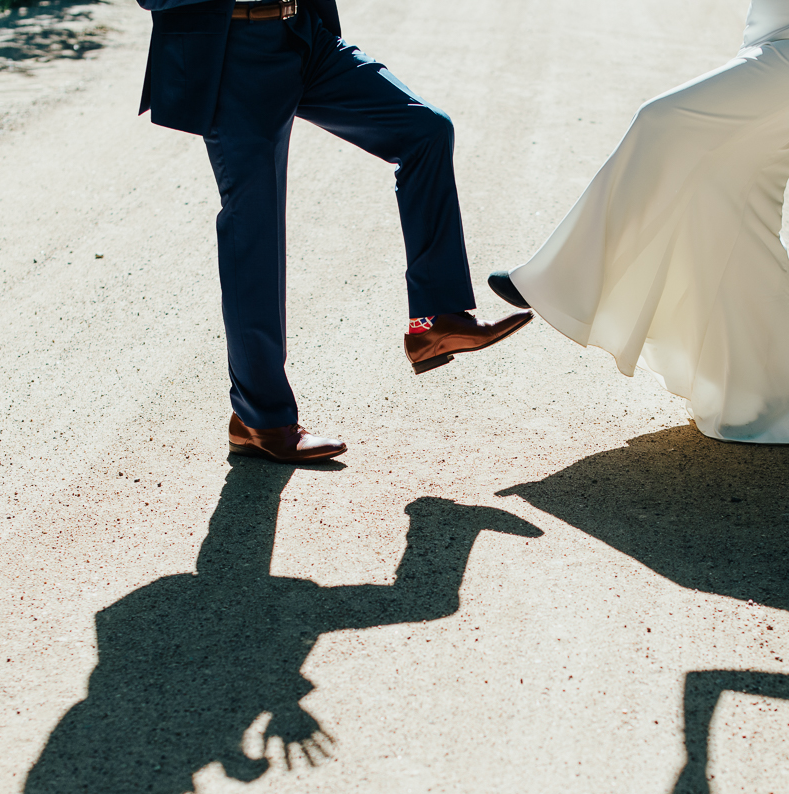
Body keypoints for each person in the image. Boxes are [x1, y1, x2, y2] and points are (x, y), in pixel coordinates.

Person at [139, 0, 533, 463]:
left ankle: (436, 321)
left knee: (425, 129)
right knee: (255, 229)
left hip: (303, 34)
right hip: (231, 50)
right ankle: (258, 419)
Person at [490, 0, 789, 447]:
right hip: (783, 40)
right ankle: (764, 402)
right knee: (736, 211)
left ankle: (563, 279)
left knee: (662, 120)